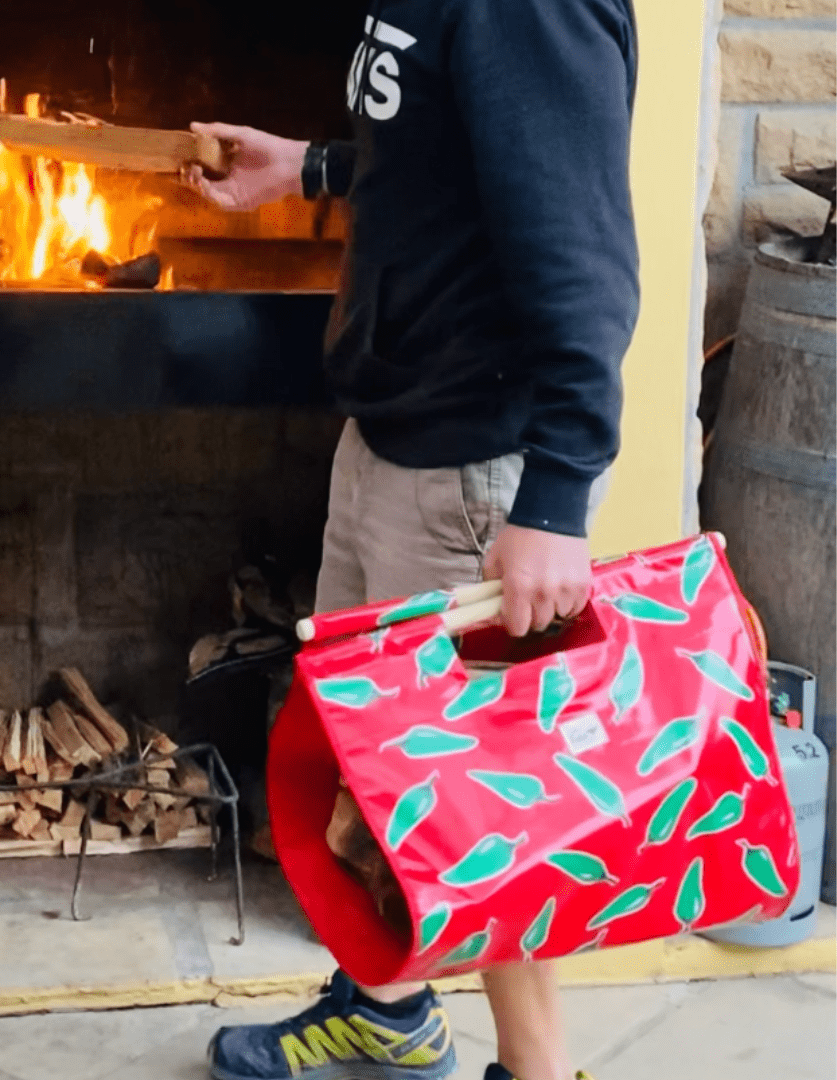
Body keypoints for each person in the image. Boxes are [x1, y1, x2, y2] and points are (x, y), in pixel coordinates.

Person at [187, 1, 639, 1078]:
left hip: (480, 466)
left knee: (483, 809)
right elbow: (449, 155)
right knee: (378, 765)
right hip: (397, 435)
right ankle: (386, 1012)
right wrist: (313, 168)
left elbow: (583, 252)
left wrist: (557, 498)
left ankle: (537, 1070)